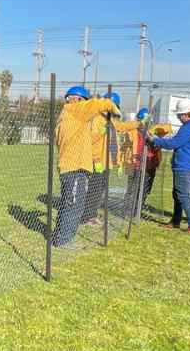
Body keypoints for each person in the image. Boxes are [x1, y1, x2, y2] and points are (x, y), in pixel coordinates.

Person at [53, 86, 120, 246]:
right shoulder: (75, 111)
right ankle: (63, 241)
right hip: (75, 168)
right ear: (76, 99)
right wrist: (112, 105)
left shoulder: (69, 116)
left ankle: (59, 237)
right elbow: (98, 104)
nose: (86, 104)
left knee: (68, 204)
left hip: (72, 167)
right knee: (74, 206)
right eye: (84, 101)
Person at [149, 98, 190, 234]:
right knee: (177, 194)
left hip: (184, 167)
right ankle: (175, 221)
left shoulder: (188, 128)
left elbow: (173, 143)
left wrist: (155, 140)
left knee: (183, 196)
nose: (179, 117)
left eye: (179, 115)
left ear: (185, 115)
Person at [82, 91, 137, 224]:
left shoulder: (111, 120)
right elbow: (93, 140)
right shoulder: (97, 119)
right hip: (98, 161)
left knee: (101, 188)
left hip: (107, 162)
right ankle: (88, 216)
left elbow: (122, 127)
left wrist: (138, 123)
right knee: (95, 188)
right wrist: (96, 160)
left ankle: (92, 213)